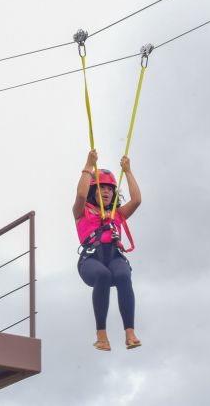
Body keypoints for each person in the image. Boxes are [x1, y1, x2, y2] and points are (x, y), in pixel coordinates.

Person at [74, 150, 142, 351]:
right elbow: (80, 194)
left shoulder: (117, 214)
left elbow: (137, 200)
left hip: (114, 256)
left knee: (123, 274)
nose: (106, 192)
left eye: (109, 189)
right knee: (103, 276)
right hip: (91, 260)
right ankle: (101, 335)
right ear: (93, 191)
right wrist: (88, 165)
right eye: (101, 188)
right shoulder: (82, 211)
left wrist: (128, 171)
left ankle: (130, 332)